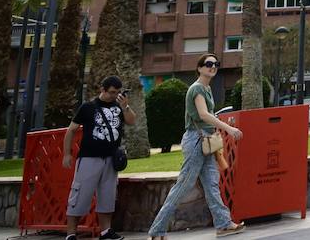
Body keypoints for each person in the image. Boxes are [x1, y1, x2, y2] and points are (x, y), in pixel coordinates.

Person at [147, 55, 244, 240]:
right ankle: (157, 230)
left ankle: (224, 224)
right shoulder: (197, 88)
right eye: (208, 64)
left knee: (211, 184)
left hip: (206, 141)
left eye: (216, 64)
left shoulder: (206, 88)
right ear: (199, 68)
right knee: (183, 186)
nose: (213, 67)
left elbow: (207, 116)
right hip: (196, 141)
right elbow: (204, 115)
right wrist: (229, 128)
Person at [64, 76, 134, 240]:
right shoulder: (88, 107)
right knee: (80, 194)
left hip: (110, 159)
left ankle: (105, 231)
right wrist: (67, 154)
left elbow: (131, 120)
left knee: (107, 196)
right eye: (111, 92)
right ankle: (71, 234)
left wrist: (125, 107)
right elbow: (71, 130)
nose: (114, 96)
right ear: (102, 90)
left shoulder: (119, 107)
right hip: (89, 157)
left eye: (117, 93)